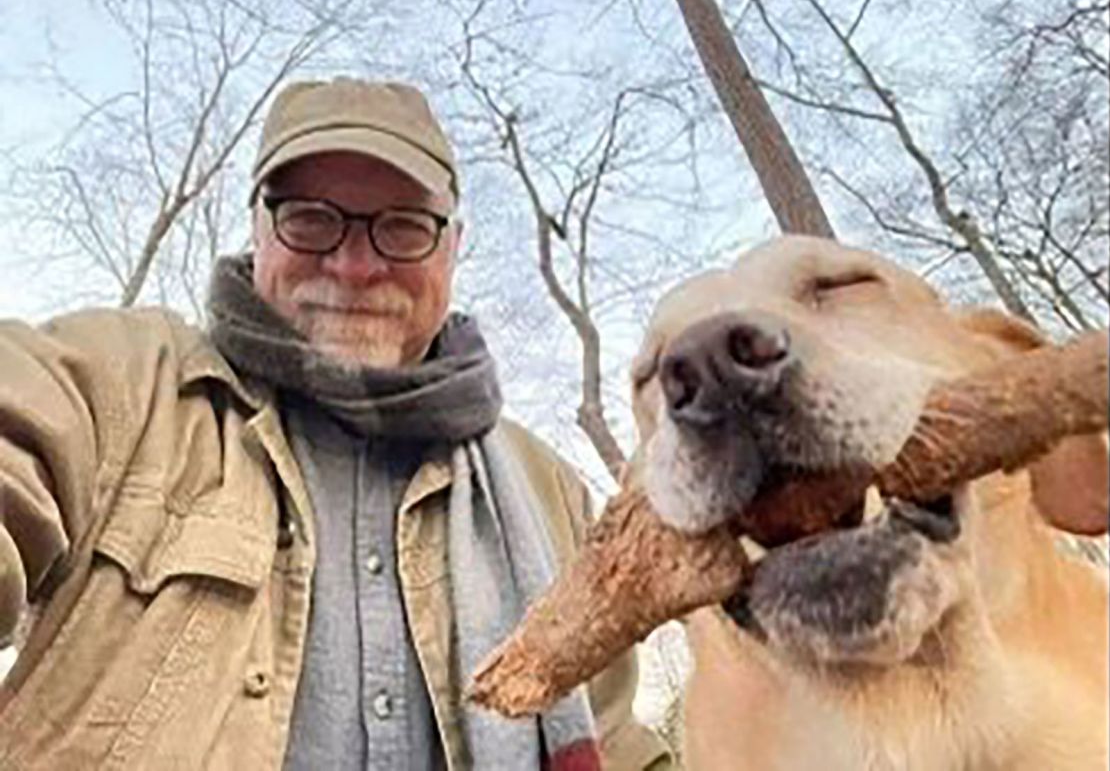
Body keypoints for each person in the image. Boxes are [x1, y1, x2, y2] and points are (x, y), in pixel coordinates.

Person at [0, 77, 673, 770]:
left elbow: (613, 737)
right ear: (260, 228)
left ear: (452, 248)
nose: (354, 264)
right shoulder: (120, 382)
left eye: (403, 226)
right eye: (311, 219)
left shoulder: (548, 492)